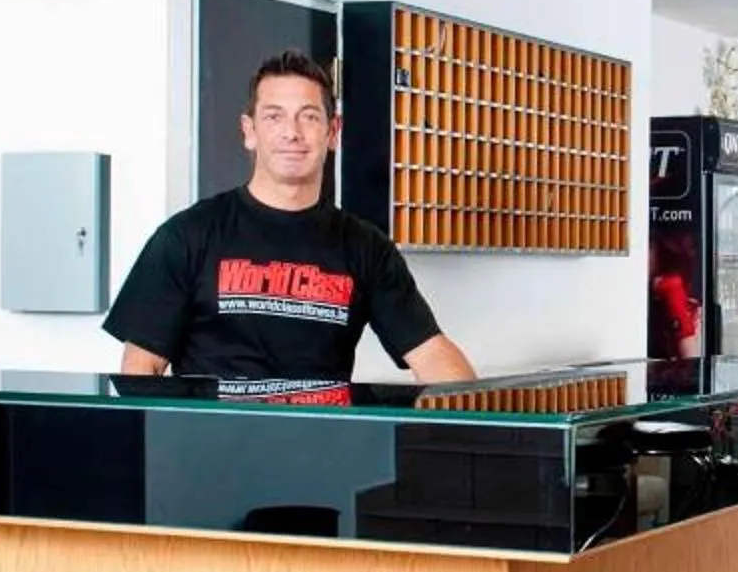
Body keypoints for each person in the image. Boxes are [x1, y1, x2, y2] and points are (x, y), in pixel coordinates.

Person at [105, 49, 477, 392]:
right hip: (209, 452)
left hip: (320, 451)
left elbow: (430, 353)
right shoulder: (186, 235)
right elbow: (141, 367)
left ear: (333, 133)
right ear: (249, 132)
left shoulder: (367, 248)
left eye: (309, 117)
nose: (292, 133)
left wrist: (474, 419)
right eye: (274, 116)